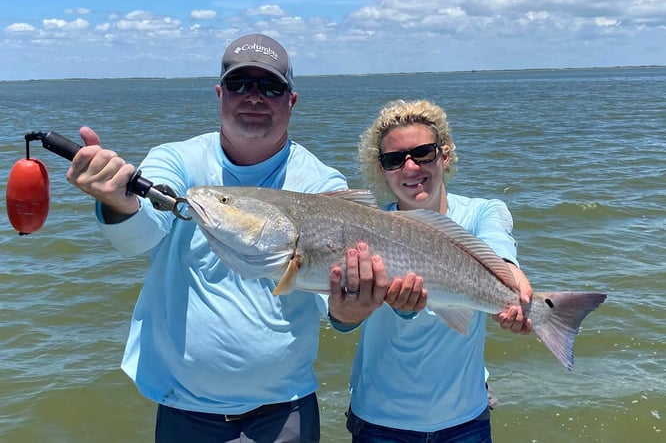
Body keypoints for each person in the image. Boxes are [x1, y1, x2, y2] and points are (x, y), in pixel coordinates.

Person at [65, 33, 386, 442]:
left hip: (285, 410)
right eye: (240, 84)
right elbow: (138, 237)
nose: (254, 97)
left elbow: (334, 305)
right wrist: (117, 201)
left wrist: (350, 312)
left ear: (291, 101)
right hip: (185, 409)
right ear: (220, 94)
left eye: (270, 87)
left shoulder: (321, 184)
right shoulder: (176, 160)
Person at [341, 99, 533, 442]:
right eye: (394, 159)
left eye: (423, 153)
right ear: (382, 169)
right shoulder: (363, 229)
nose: (411, 168)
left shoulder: (482, 212)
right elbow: (341, 320)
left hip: (467, 420)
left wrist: (511, 281)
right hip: (379, 422)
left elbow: (497, 241)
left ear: (445, 155)